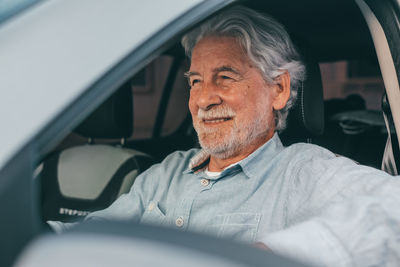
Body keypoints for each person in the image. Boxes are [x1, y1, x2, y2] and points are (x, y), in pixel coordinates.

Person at [49, 6, 400, 267]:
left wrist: (270, 255)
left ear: (278, 90)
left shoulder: (302, 173)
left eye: (225, 77)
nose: (203, 99)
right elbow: (94, 237)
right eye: (195, 80)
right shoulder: (167, 172)